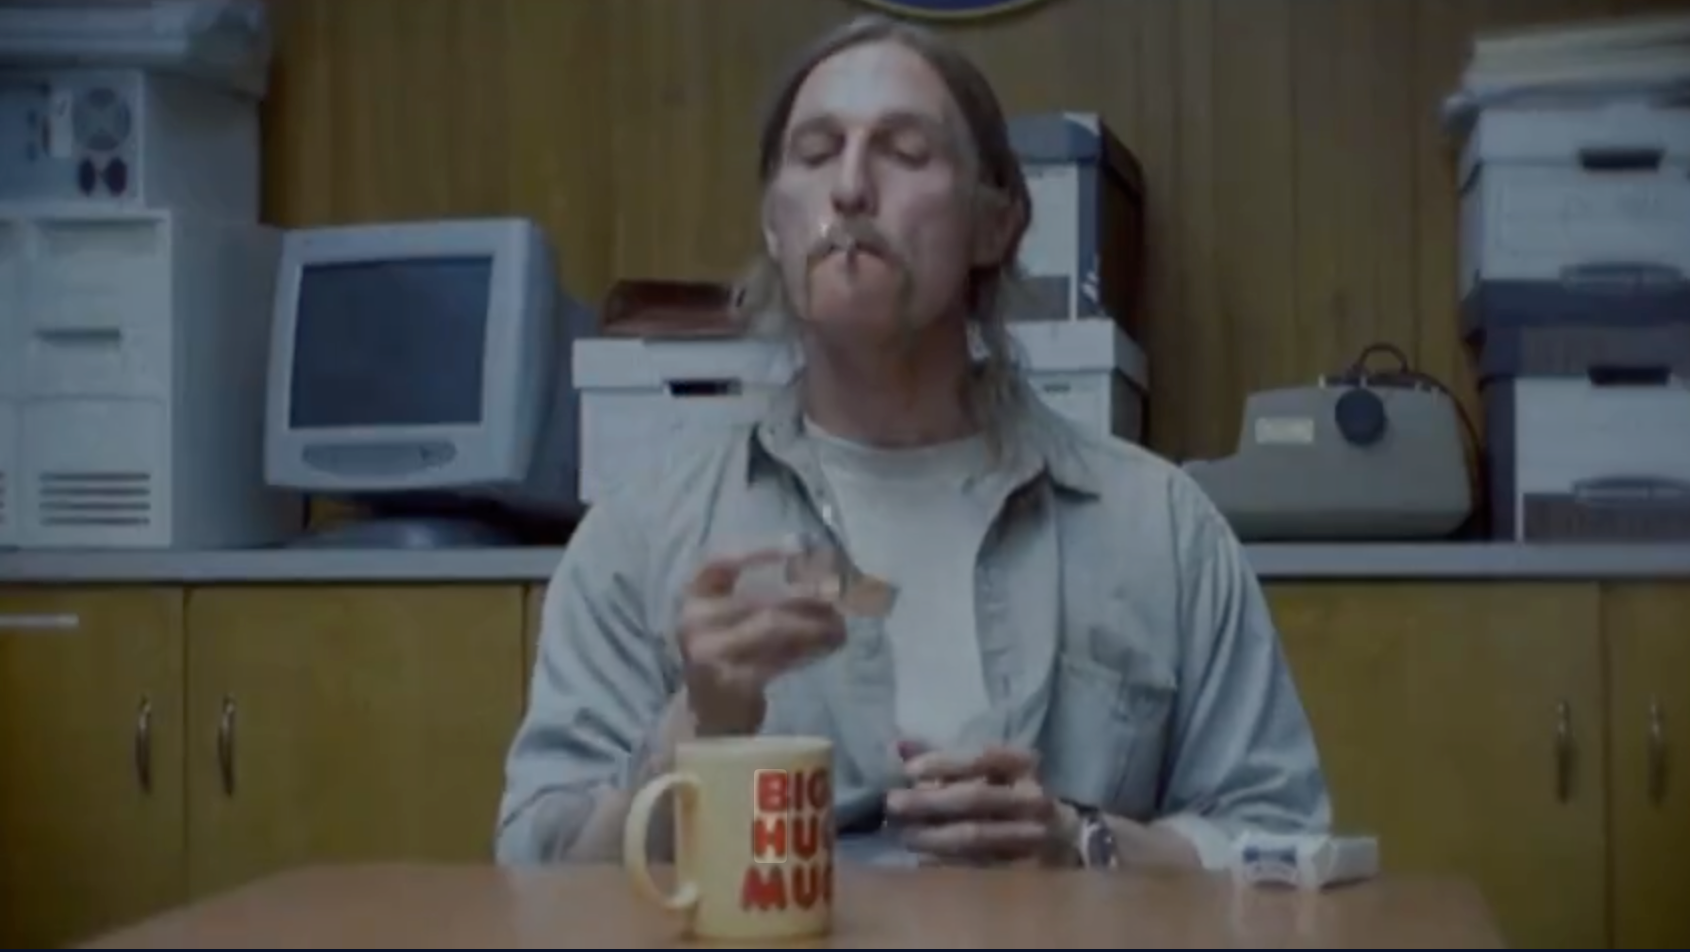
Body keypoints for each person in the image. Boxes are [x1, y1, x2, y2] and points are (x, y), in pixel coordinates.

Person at [496, 14, 1330, 871]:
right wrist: (697, 731)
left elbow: (1286, 841)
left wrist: (1083, 841)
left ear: (995, 224)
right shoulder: (640, 536)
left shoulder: (1160, 527)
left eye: (905, 151)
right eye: (816, 153)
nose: (851, 188)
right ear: (775, 224)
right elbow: (535, 870)